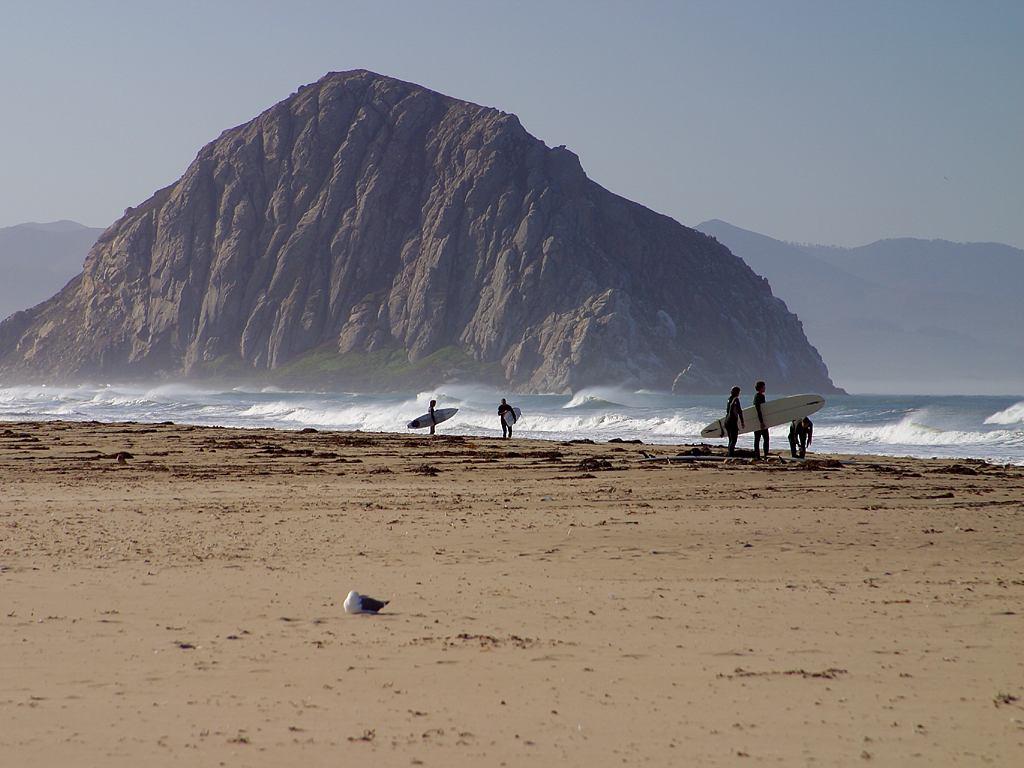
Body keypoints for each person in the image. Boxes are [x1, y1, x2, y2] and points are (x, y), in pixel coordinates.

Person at [724, 386, 744, 456]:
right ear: (737, 392)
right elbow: (739, 411)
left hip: (727, 421)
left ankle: (730, 454)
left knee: (730, 439)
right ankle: (731, 455)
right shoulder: (736, 399)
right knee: (734, 440)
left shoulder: (729, 399)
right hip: (732, 422)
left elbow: (727, 411)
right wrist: (742, 422)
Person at [752, 380, 769, 459]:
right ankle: (764, 455)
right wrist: (761, 422)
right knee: (764, 438)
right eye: (764, 386)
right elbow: (758, 409)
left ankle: (758, 456)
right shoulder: (759, 396)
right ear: (761, 388)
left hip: (758, 421)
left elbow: (763, 410)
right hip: (759, 422)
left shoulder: (760, 396)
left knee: (758, 439)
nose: (765, 388)